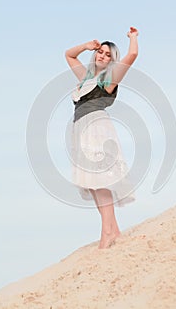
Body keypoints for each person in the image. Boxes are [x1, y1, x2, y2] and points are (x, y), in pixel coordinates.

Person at [65, 27, 139, 249]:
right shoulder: (85, 77)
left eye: (108, 55)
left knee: (100, 180)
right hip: (81, 129)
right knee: (93, 183)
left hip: (97, 127)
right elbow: (69, 54)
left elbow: (132, 56)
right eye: (101, 52)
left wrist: (133, 38)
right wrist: (86, 45)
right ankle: (113, 230)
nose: (103, 56)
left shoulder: (109, 78)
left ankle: (107, 232)